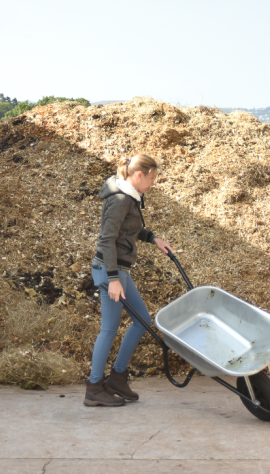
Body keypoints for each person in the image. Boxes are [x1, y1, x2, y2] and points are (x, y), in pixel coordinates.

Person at [84, 154, 173, 407]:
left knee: (142, 320)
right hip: (109, 270)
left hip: (119, 270)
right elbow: (106, 239)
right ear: (139, 175)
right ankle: (94, 387)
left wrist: (154, 238)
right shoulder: (122, 199)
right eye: (152, 178)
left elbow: (129, 230)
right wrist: (113, 279)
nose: (154, 183)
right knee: (109, 329)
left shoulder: (130, 196)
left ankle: (117, 378)